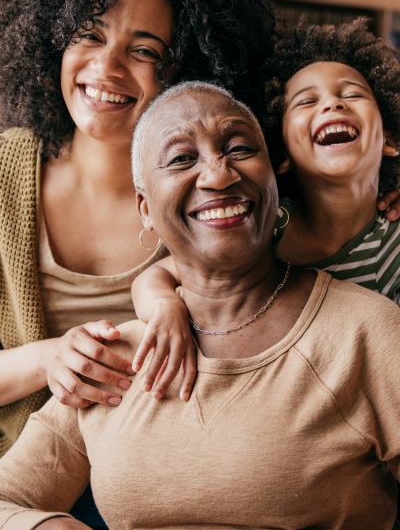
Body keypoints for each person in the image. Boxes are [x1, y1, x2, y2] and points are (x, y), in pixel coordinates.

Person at [1, 82, 400, 530]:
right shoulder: (113, 358)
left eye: (240, 148)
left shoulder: (368, 333)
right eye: (181, 158)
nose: (218, 174)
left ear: (272, 176)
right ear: (145, 210)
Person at [0, 0, 277, 454]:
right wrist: (50, 358)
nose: (107, 67)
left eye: (145, 50)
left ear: (187, 69)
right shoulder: (3, 175)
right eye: (89, 36)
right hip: (20, 467)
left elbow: (327, 225)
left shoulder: (219, 185)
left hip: (170, 463)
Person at [131, 18, 400, 379]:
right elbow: (153, 278)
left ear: (390, 139)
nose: (333, 105)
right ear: (280, 154)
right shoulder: (263, 228)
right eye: (307, 101)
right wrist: (165, 306)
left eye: (353, 94)